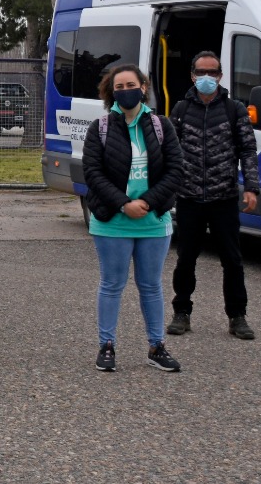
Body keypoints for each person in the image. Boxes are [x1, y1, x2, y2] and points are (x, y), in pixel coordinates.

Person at [82, 64, 185, 373]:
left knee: (151, 286)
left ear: (143, 87)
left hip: (153, 220)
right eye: (119, 86)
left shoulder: (160, 126)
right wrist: (124, 203)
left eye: (131, 84)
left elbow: (175, 170)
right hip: (112, 220)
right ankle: (107, 346)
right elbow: (93, 173)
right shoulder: (99, 128)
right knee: (112, 284)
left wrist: (147, 202)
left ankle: (156, 346)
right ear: (111, 92)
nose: (125, 90)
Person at [167, 51, 261, 340]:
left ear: (220, 75)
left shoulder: (235, 109)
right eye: (201, 72)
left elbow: (247, 150)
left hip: (223, 198)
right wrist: (167, 191)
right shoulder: (181, 110)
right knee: (186, 259)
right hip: (189, 198)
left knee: (232, 260)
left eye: (213, 72)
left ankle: (237, 316)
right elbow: (170, 152)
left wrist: (252, 187)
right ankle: (181, 312)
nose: (207, 77)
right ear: (192, 75)